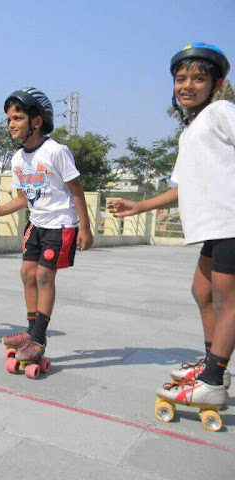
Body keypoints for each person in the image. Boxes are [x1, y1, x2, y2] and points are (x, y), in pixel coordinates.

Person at [109, 43, 233, 408]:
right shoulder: (191, 131)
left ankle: (212, 382)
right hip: (216, 228)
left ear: (217, 83)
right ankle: (216, 366)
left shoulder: (222, 111)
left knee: (228, 302)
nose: (188, 85)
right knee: (202, 292)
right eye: (181, 79)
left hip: (232, 223)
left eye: (199, 78)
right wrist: (140, 205)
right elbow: (183, 188)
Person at [0, 88, 93, 365]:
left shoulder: (56, 152)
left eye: (17, 118)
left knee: (43, 276)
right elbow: (21, 199)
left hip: (61, 224)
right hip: (36, 224)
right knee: (27, 274)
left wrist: (85, 229)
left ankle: (38, 338)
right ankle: (30, 331)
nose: (11, 124)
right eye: (8, 120)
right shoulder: (18, 159)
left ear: (36, 121)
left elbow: (77, 191)